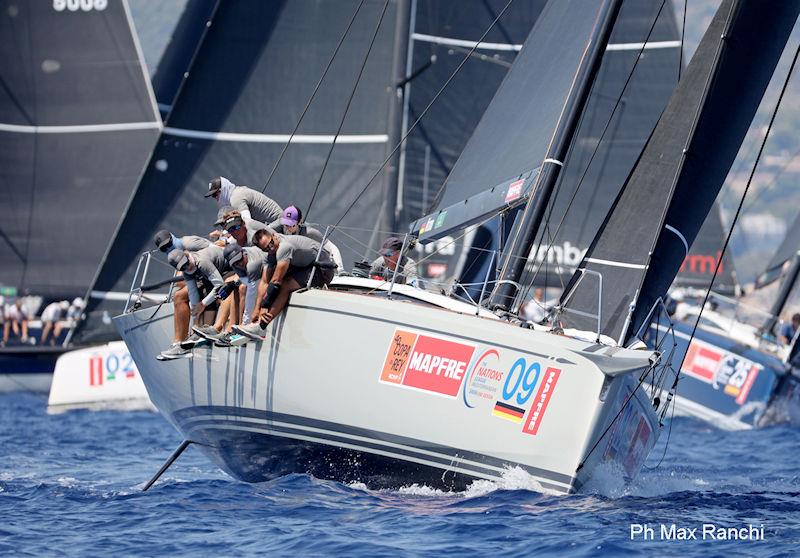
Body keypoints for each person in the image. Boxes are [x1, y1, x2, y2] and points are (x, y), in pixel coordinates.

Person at [234, 229, 335, 340]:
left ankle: (261, 327)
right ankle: (256, 325)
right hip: (305, 266)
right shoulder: (270, 254)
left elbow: (276, 280)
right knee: (274, 287)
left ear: (274, 236)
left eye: (271, 243)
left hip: (323, 268)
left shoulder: (284, 247)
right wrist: (257, 309)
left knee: (285, 285)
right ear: (262, 250)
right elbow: (265, 282)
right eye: (267, 248)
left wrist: (265, 306)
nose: (271, 248)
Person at [158, 245, 234, 359]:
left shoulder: (201, 261)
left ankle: (207, 334)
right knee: (201, 295)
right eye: (183, 267)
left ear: (187, 256)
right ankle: (193, 335)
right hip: (213, 274)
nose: (187, 268)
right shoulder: (186, 272)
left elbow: (219, 285)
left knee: (209, 292)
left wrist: (203, 304)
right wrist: (194, 324)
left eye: (187, 263)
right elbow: (193, 294)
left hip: (230, 269)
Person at [270, 205, 343, 271]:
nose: (287, 227)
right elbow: (264, 230)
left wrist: (340, 269)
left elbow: (332, 248)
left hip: (303, 264)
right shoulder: (280, 224)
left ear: (300, 222)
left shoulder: (310, 232)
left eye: (291, 225)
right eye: (286, 224)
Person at [205, 176, 283, 224]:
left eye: (215, 194)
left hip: (279, 222)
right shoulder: (237, 191)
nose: (216, 198)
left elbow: (248, 223)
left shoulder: (235, 199)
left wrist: (227, 241)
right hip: (275, 221)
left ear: (224, 189)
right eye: (213, 196)